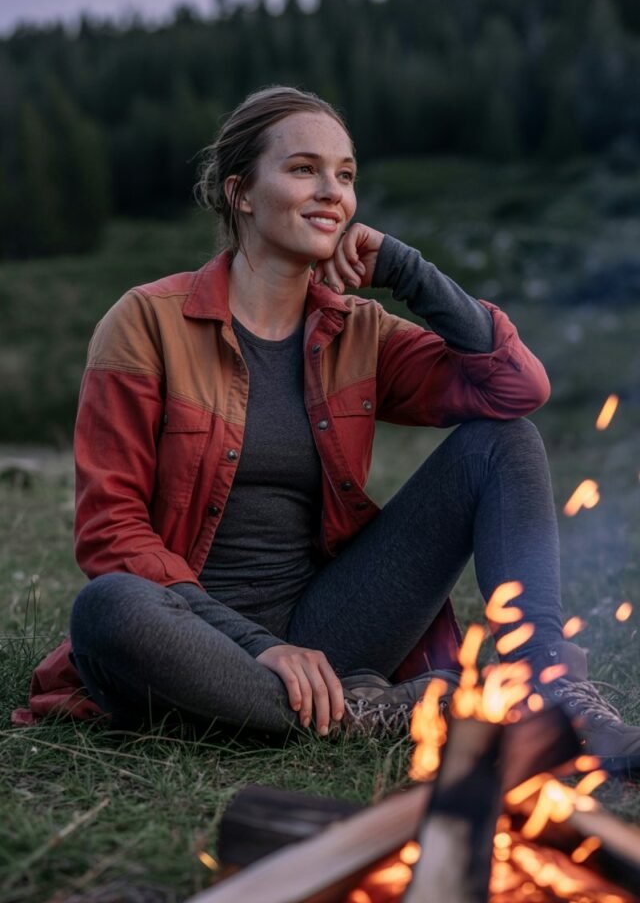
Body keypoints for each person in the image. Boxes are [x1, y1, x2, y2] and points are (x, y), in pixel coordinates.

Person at [28, 86, 639, 768]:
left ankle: (551, 688)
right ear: (242, 194)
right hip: (195, 634)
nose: (332, 192)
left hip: (332, 628)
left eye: (345, 175)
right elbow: (110, 530)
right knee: (107, 610)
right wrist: (262, 648)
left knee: (503, 442)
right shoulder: (147, 323)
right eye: (302, 169)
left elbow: (514, 388)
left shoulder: (357, 331)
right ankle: (369, 714)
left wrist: (408, 271)